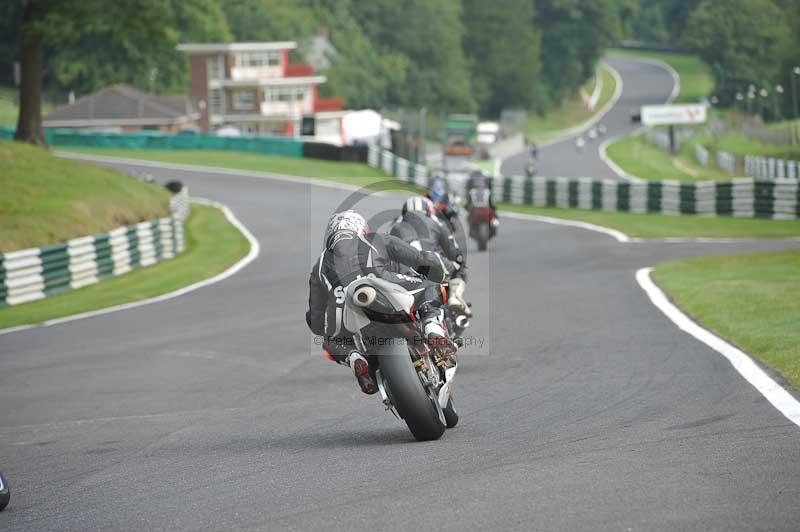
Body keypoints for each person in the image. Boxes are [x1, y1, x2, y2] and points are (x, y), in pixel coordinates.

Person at [306, 210, 457, 395]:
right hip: (383, 284)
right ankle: (432, 326)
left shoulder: (319, 265)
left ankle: (354, 357)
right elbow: (417, 259)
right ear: (359, 226)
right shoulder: (374, 239)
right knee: (430, 287)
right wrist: (436, 269)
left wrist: (324, 327)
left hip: (346, 307)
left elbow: (315, 320)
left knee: (331, 339)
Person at [390, 197, 469, 315]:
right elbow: (454, 252)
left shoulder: (394, 226)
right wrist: (459, 261)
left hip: (405, 267)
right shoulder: (437, 223)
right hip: (434, 261)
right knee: (459, 269)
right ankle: (454, 297)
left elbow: (387, 248)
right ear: (427, 211)